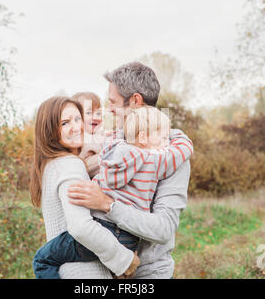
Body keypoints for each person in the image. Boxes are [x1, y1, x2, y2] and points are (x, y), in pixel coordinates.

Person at [32, 105, 193, 279]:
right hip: (130, 239)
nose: (166, 142)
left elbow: (80, 228)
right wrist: (178, 135)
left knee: (41, 260)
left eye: (78, 119)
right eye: (65, 122)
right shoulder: (157, 161)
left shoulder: (112, 153)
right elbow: (184, 149)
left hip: (104, 227)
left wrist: (122, 259)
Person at [66, 62, 192, 279]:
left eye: (113, 102)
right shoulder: (114, 141)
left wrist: (107, 204)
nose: (109, 109)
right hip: (106, 269)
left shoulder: (170, 153)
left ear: (135, 101)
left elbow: (164, 229)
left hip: (147, 274)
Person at [30, 96, 139, 279]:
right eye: (65, 123)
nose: (76, 127)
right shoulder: (70, 165)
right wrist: (124, 259)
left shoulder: (50, 166)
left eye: (77, 119)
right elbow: (80, 226)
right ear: (50, 130)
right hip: (86, 272)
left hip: (65, 270)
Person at [71, 92, 104, 178]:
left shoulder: (99, 135)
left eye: (98, 113)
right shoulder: (81, 139)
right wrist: (111, 155)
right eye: (89, 113)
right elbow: (85, 166)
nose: (96, 117)